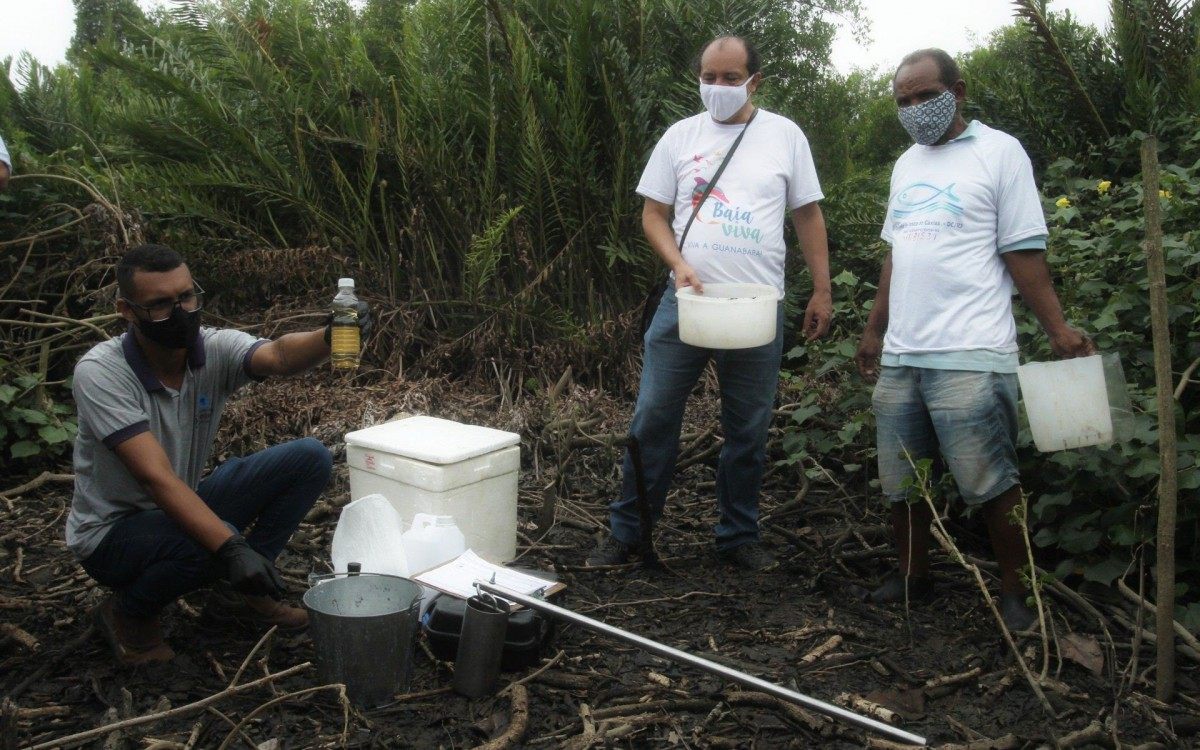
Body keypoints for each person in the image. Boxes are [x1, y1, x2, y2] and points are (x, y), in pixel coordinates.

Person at [854, 49, 1095, 631]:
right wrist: (875, 327)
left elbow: (1022, 250)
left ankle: (1018, 591)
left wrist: (1057, 330)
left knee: (990, 480)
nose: (913, 109)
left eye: (924, 96)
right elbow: (897, 250)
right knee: (901, 480)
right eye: (903, 101)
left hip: (972, 348)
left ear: (957, 92)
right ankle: (914, 577)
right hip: (905, 352)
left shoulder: (999, 152)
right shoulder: (906, 164)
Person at [587, 35, 832, 572]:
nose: (718, 87)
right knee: (652, 417)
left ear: (754, 80)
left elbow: (807, 214)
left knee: (748, 426)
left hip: (755, 306)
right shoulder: (680, 137)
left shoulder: (784, 136)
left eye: (729, 77)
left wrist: (822, 288)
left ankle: (738, 537)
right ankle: (628, 532)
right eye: (709, 77)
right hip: (687, 303)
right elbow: (653, 213)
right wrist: (677, 263)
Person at [67, 244, 371, 666]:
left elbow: (280, 356)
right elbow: (157, 480)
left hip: (180, 504)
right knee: (214, 538)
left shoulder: (210, 349)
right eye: (159, 304)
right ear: (127, 309)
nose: (180, 312)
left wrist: (328, 335)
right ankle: (127, 614)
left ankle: (238, 594)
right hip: (112, 535)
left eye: (186, 297)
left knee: (309, 457)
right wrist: (231, 547)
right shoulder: (101, 373)